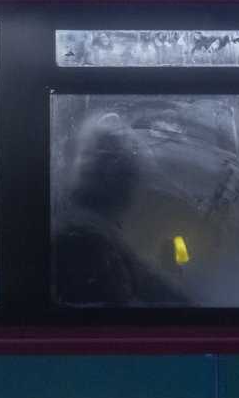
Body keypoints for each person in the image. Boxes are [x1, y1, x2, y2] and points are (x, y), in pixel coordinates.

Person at [52, 115, 188, 306]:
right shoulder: (84, 238)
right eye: (134, 178)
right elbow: (123, 314)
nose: (139, 192)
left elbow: (150, 284)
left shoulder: (95, 232)